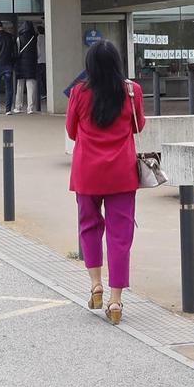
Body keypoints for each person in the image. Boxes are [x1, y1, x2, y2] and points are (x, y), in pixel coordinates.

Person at [67, 39, 146, 325]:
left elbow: (71, 131)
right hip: (122, 173)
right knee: (120, 236)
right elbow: (140, 125)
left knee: (88, 226)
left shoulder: (79, 92)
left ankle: (96, 285)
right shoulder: (131, 90)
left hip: (87, 171)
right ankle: (116, 300)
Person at [13, 19, 41, 115]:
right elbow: (38, 53)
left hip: (20, 65)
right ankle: (31, 108)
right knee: (31, 86)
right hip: (31, 65)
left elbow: (16, 52)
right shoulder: (35, 38)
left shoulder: (18, 39)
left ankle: (18, 107)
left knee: (19, 87)